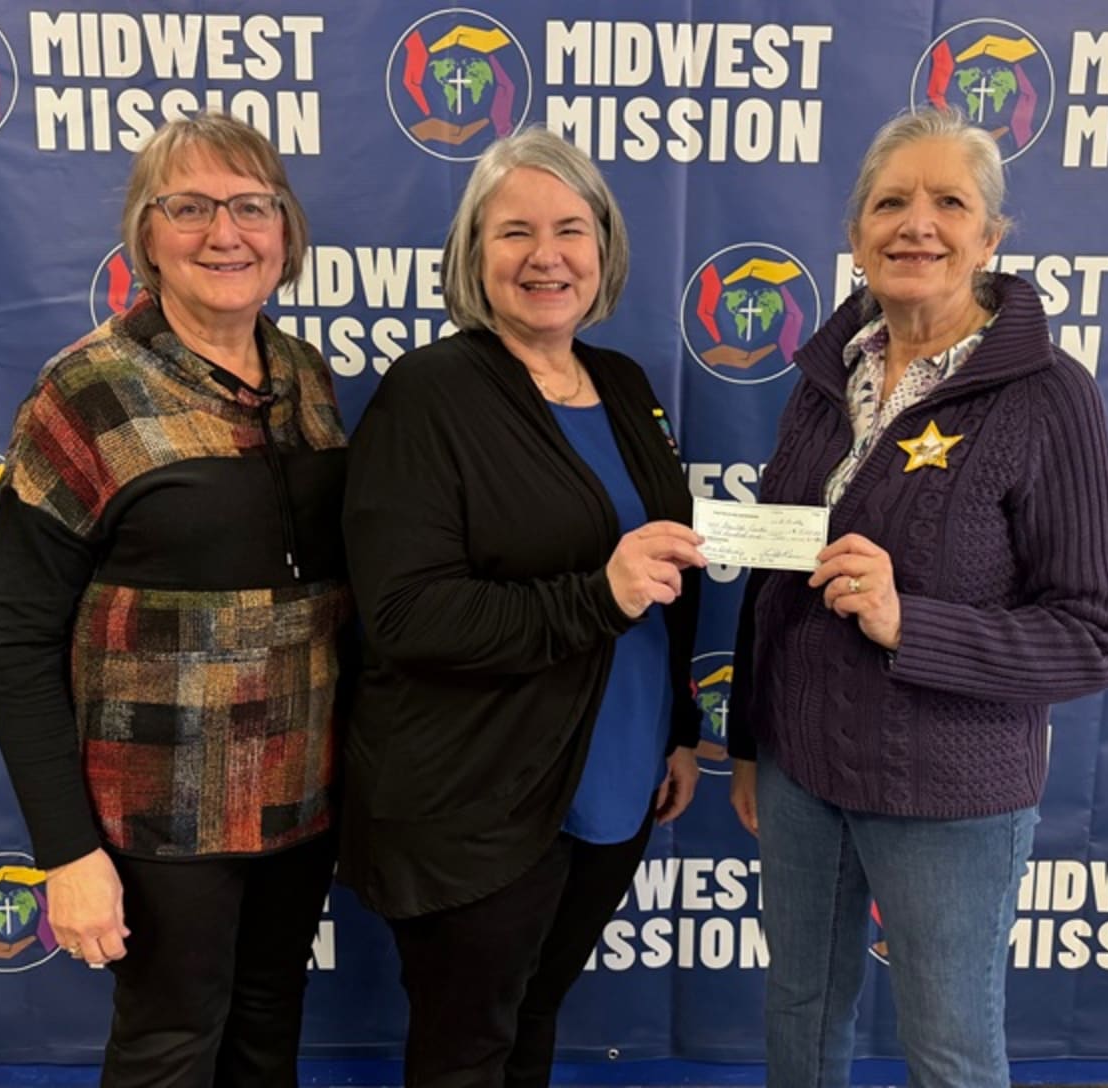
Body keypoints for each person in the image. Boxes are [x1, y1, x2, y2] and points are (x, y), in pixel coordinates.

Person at [727, 107, 1108, 1088]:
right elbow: (777, 583)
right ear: (856, 233)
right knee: (797, 1011)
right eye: (891, 202)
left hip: (951, 791)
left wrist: (913, 620)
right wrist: (749, 741)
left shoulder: (1050, 394)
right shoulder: (828, 376)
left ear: (990, 236)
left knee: (950, 1047)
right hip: (800, 770)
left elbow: (1096, 633)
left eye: (949, 201)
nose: (918, 223)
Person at [0, 112, 352, 1087]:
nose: (222, 232)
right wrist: (66, 849)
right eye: (187, 207)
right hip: (158, 813)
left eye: (249, 206)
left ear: (287, 230)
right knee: (168, 1045)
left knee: (268, 1033)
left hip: (301, 798)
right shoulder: (86, 392)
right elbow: (21, 641)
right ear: (146, 235)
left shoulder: (307, 380)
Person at [340, 126, 705, 1088]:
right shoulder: (429, 394)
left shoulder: (622, 384)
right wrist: (597, 595)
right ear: (473, 256)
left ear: (604, 248)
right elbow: (408, 618)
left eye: (571, 229)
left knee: (535, 1016)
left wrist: (677, 727)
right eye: (514, 233)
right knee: (469, 1048)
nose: (547, 256)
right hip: (480, 791)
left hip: (619, 770)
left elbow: (665, 574)